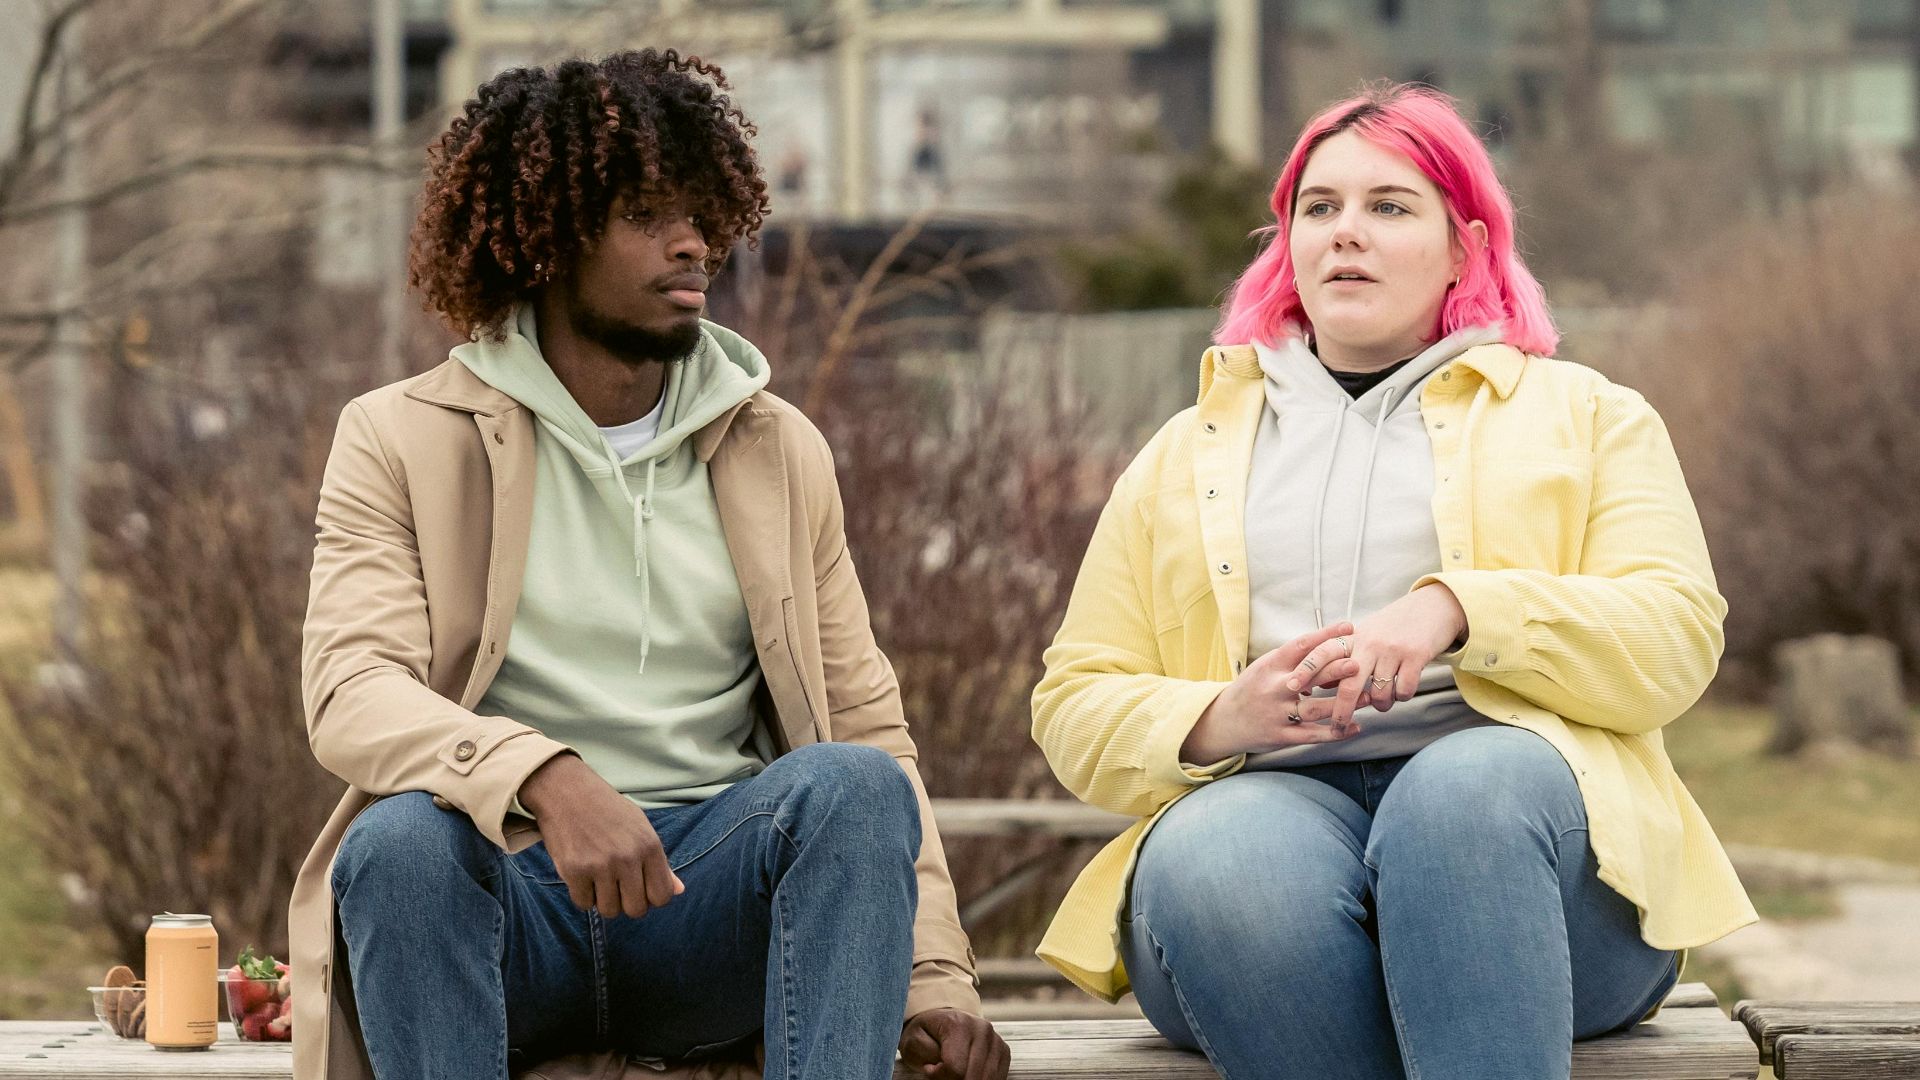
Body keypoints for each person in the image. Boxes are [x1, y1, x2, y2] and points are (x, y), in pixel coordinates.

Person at [287, 50, 1009, 1080]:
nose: (694, 244)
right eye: (646, 217)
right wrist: (544, 774)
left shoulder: (776, 449)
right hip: (506, 903)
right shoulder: (400, 436)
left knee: (851, 786)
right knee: (397, 847)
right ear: (544, 242)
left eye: (703, 214)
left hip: (704, 910)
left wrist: (934, 978)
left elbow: (866, 727)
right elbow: (353, 695)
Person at [1029, 83, 1756, 1080]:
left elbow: (1674, 637)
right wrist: (1217, 717)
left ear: (1466, 247)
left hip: (1543, 881)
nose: (1345, 235)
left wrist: (1458, 607)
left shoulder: (1592, 417)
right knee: (1217, 858)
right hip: (1266, 857)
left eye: (1389, 206)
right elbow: (1073, 698)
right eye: (1317, 209)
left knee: (1461, 796)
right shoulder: (1182, 452)